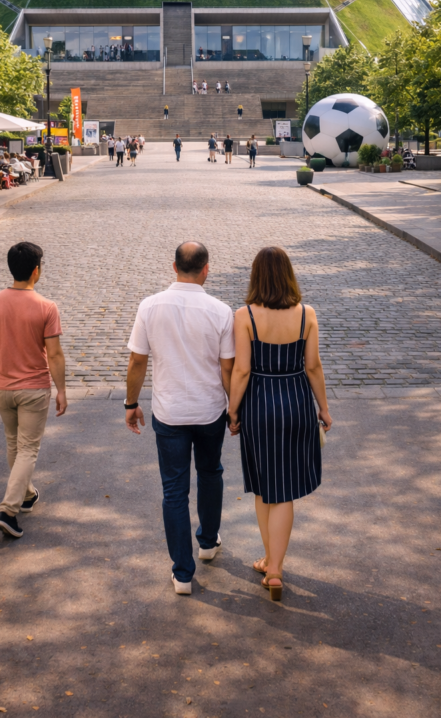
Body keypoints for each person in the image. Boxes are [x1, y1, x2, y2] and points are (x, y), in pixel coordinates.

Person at [125, 242, 235, 594]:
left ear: (174, 267)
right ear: (206, 269)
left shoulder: (150, 306)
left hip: (169, 411)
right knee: (210, 472)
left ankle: (182, 573)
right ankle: (207, 541)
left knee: (174, 490)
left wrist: (131, 403)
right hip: (209, 410)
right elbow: (227, 367)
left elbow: (137, 361)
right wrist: (235, 408)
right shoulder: (220, 311)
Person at [228, 248, 331, 601]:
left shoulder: (244, 315)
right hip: (297, 401)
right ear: (289, 275)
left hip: (259, 402)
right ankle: (274, 567)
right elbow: (313, 366)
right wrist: (324, 408)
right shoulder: (307, 314)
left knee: (262, 485)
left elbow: (241, 370)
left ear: (256, 276)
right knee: (284, 488)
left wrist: (233, 409)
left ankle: (271, 563)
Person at [0, 241, 67, 538]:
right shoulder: (46, 307)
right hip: (34, 389)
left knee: (14, 444)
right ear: (36, 271)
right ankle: (8, 510)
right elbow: (54, 354)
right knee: (28, 449)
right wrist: (61, 389)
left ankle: (26, 494)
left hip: (3, 387)